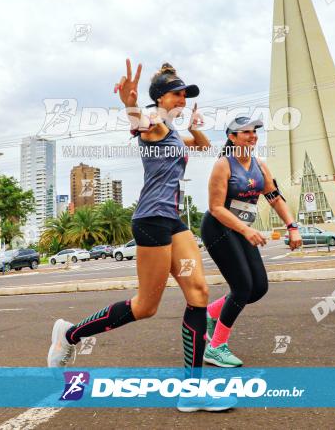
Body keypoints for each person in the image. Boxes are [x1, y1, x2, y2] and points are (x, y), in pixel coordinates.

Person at [47, 60, 235, 412]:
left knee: (199, 292)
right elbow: (141, 125)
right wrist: (129, 106)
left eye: (186, 94)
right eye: (178, 93)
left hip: (173, 221)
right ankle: (70, 335)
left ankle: (192, 391)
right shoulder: (155, 123)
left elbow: (203, 145)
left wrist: (195, 125)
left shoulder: (174, 132)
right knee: (146, 307)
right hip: (150, 220)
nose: (183, 98)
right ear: (161, 98)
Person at [200, 116, 302, 367]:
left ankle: (210, 314)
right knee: (242, 287)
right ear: (232, 137)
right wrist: (246, 230)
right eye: (245, 132)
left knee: (258, 288)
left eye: (254, 131)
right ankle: (216, 347)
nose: (252, 135)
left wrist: (292, 227)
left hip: (242, 229)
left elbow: (275, 198)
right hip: (218, 229)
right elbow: (215, 208)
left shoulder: (260, 166)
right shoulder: (223, 165)